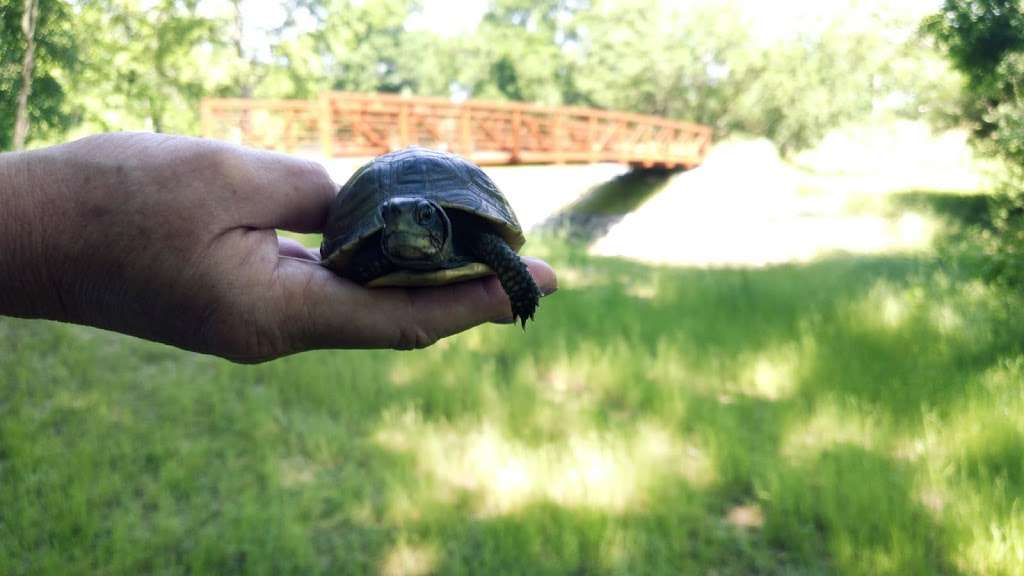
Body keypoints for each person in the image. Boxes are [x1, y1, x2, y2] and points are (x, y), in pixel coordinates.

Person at [0, 133, 557, 363]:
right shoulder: (376, 241)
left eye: (414, 218)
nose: (396, 223)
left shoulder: (473, 236)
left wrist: (516, 282)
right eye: (389, 218)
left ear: (440, 223)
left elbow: (494, 244)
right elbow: (341, 251)